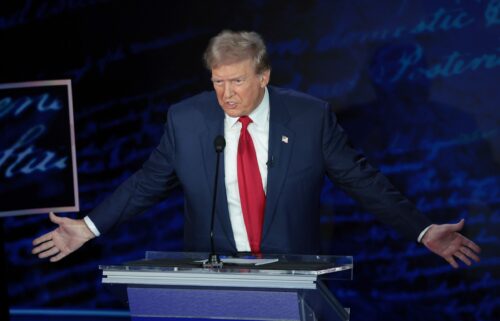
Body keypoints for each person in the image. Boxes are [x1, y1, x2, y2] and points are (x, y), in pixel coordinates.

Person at [33, 30, 480, 268]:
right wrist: (88, 228)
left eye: (238, 81)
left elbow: (364, 182)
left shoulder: (309, 118)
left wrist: (423, 231)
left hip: (293, 276)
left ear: (263, 76)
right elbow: (147, 182)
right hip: (212, 280)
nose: (226, 94)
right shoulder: (187, 120)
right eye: (218, 82)